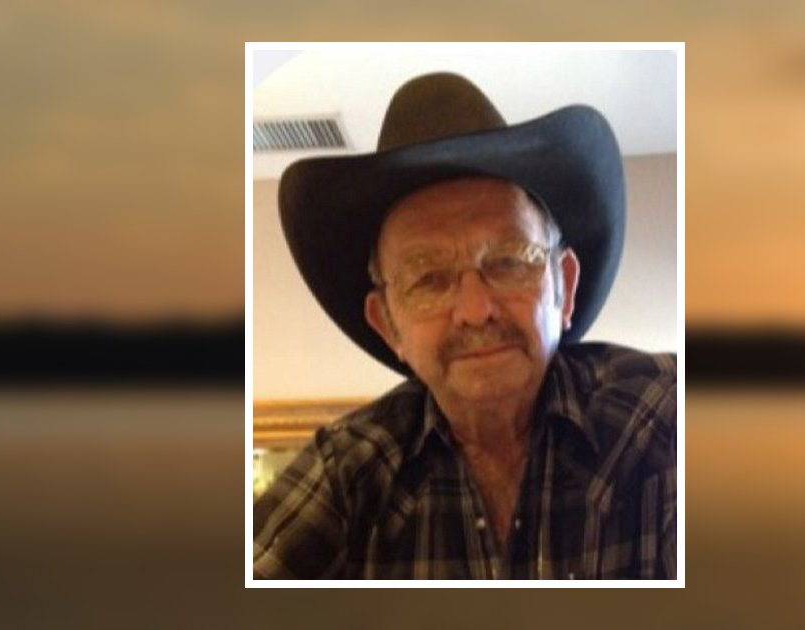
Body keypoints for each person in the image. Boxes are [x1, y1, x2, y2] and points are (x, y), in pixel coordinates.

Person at [254, 72, 677, 579]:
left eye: (509, 261)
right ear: (388, 326)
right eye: (428, 279)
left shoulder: (662, 417)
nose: (476, 310)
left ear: (563, 286)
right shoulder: (348, 476)